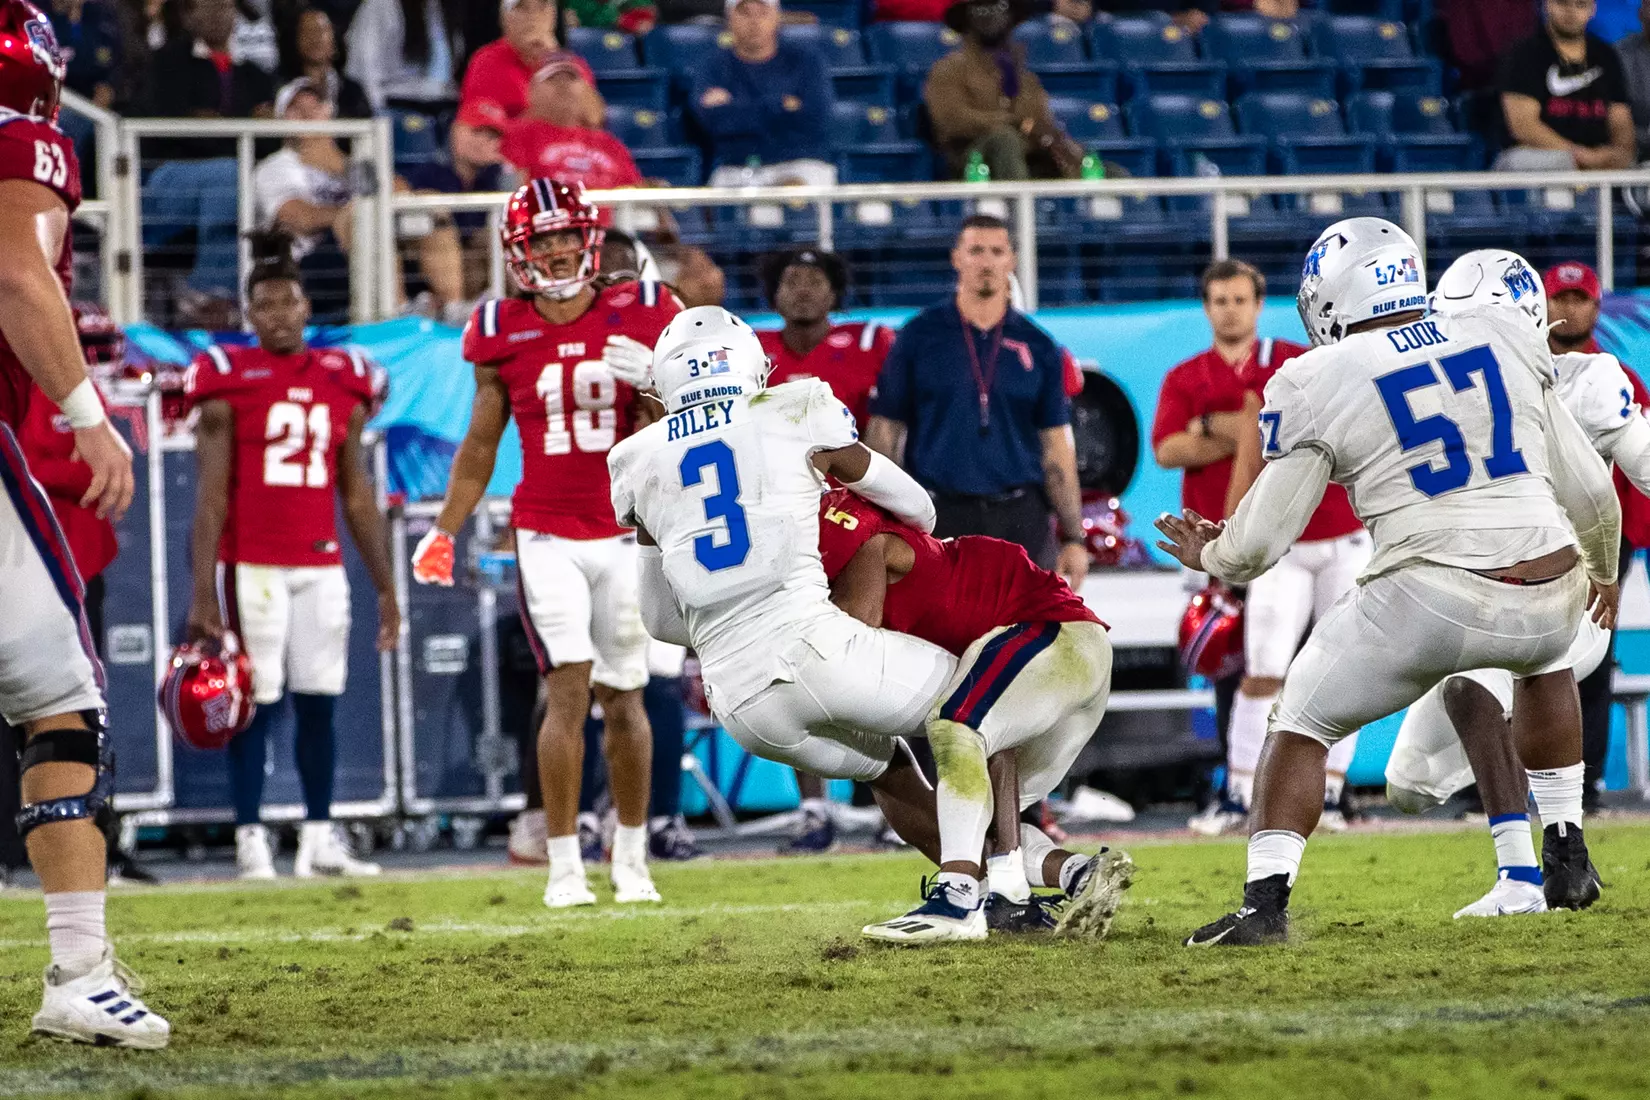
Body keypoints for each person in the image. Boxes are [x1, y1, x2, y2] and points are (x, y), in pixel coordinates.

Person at [1155, 217, 1621, 947]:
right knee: (1544, 658)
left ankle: (1264, 906)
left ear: (1331, 298)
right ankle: (1568, 854)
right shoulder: (1501, 331)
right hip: (1551, 576)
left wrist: (1215, 555)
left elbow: (1263, 542)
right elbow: (1590, 489)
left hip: (1429, 589)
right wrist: (1602, 568)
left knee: (1300, 721)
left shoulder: (1315, 375)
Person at [606, 307, 960, 929]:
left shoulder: (636, 459)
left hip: (742, 703)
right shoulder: (795, 408)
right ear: (752, 367)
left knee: (895, 770)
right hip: (819, 649)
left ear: (664, 386)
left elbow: (660, 621)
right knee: (984, 705)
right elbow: (919, 507)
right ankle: (1012, 881)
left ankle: (1016, 876)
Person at [410, 180, 679, 909]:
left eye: (566, 237)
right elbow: (478, 444)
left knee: (626, 697)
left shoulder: (644, 311)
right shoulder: (501, 328)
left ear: (590, 240)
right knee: (565, 691)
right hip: (547, 531)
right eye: (543, 240)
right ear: (519, 251)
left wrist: (654, 381)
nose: (557, 251)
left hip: (625, 531)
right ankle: (563, 862)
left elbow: (678, 430)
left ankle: (631, 854)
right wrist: (444, 527)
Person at [0, 0, 166, 1046]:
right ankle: (77, 969)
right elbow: (17, 273)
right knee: (61, 698)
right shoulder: (25, 135)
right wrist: (89, 418)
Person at [1386, 248, 1627, 917]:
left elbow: (1633, 463)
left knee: (1489, 676)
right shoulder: (1436, 396)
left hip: (1568, 591)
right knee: (1409, 784)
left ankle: (1541, 864)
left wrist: (1604, 566)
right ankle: (1549, 820)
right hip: (1485, 589)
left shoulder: (1586, 379)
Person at [814, 487, 1125, 942]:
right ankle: (1074, 874)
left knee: (957, 725)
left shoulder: (851, 526)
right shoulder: (898, 546)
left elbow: (857, 618)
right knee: (977, 802)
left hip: (1053, 634)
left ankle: (957, 895)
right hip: (1063, 659)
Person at [183, 230, 400, 881]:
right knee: (257, 700)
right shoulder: (229, 378)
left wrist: (386, 587)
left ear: (307, 307)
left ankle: (317, 836)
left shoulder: (343, 379)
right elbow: (210, 498)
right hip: (253, 563)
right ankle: (251, 837)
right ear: (250, 315)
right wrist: (202, 591)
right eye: (265, 305)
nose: (278, 315)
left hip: (320, 563)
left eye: (288, 302)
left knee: (319, 699)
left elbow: (358, 496)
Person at [1156, 261, 1370, 837]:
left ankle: (1330, 791)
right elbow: (1169, 449)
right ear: (1207, 308)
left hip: (1334, 529)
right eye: (1219, 299)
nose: (1230, 309)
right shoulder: (1188, 375)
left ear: (1258, 304)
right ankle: (1241, 788)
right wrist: (1241, 425)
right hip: (1269, 541)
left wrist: (1218, 427)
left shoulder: (1298, 362)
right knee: (1261, 669)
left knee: (1344, 667)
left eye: (1240, 299)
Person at [864, 215, 1089, 594]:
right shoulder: (918, 337)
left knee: (1024, 642)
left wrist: (1073, 536)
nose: (986, 262)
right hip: (939, 514)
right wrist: (877, 520)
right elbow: (884, 434)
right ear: (957, 258)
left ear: (1012, 260)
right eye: (976, 251)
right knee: (939, 640)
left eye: (997, 251)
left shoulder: (1040, 346)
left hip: (1022, 519)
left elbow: (1056, 449)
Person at [755, 245, 894, 852]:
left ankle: (893, 800)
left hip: (855, 521)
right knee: (791, 662)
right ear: (773, 292)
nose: (804, 290)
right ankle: (814, 810)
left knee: (872, 653)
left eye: (816, 280)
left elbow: (888, 433)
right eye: (792, 280)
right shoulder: (750, 354)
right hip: (783, 524)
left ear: (837, 292)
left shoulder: (869, 345)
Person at [1541, 260, 1648, 807]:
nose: (1567, 309)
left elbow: (1636, 466)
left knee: (1591, 654)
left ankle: (1584, 782)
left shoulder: (1619, 378)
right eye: (1558, 298)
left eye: (1578, 299)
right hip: (1526, 533)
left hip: (1597, 538)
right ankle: (1493, 785)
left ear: (1596, 307)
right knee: (1507, 656)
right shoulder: (1518, 371)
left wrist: (1628, 543)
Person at [140, 0, 277, 327]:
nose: (219, 14)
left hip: (232, 177)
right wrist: (243, 126)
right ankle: (209, 293)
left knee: (241, 181)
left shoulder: (255, 74)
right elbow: (174, 131)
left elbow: (270, 139)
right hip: (167, 179)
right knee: (231, 175)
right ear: (189, 14)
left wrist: (218, 123)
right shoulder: (168, 62)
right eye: (209, 6)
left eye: (226, 6)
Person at [691, 0, 837, 188]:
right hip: (735, 165)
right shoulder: (712, 66)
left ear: (777, 17)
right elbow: (713, 122)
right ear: (729, 19)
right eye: (745, 13)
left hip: (800, 162)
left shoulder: (806, 60)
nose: (754, 22)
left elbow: (815, 119)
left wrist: (735, 108)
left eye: (762, 13)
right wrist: (780, 106)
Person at [924, 0, 1066, 181]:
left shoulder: (1022, 74)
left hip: (1027, 152)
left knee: (1081, 157)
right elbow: (951, 120)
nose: (991, 17)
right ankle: (1018, 205)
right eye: (981, 10)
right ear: (967, 20)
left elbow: (1036, 117)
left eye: (999, 8)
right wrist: (1009, 121)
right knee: (1005, 139)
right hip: (970, 156)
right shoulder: (947, 69)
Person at [398, 97, 508, 325]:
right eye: (476, 132)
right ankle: (452, 310)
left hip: (478, 276)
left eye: (492, 136)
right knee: (435, 222)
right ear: (457, 131)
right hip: (425, 276)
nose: (483, 141)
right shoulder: (428, 174)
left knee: (501, 234)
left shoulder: (499, 178)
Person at [254, 78, 356, 321]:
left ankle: (452, 306)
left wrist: (342, 167)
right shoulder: (274, 166)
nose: (308, 114)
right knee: (361, 217)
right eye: (296, 109)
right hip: (307, 262)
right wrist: (350, 213)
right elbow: (300, 218)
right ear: (282, 122)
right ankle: (395, 310)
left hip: (363, 251)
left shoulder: (352, 162)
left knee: (430, 209)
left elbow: (396, 192)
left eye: (315, 106)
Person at [1497, 0, 1635, 171]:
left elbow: (1620, 119)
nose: (1571, 12)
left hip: (1596, 156)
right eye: (1562, 3)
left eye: (1580, 4)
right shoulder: (1524, 54)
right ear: (1546, 5)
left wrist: (1620, 153)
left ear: (1592, 9)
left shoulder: (1606, 56)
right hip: (1535, 155)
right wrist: (1579, 155)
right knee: (1563, 163)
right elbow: (1523, 127)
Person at [501, 58, 644, 190]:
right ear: (532, 92)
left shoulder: (609, 144)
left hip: (603, 215)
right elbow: (511, 186)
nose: (563, 86)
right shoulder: (518, 136)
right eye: (552, 80)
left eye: (571, 79)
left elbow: (632, 189)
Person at [462, 0, 596, 122]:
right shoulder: (485, 62)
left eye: (542, 6)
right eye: (522, 8)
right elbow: (480, 132)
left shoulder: (573, 65)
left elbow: (592, 120)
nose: (533, 16)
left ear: (554, 15)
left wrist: (553, 59)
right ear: (505, 19)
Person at [344, 0, 464, 111]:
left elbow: (453, 60)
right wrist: (378, 109)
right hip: (397, 101)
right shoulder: (382, 5)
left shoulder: (441, 8)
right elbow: (367, 63)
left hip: (444, 101)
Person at [278, 5, 371, 119]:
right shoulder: (278, 86)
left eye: (321, 30)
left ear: (335, 41)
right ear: (295, 40)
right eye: (307, 31)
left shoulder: (352, 92)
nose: (314, 38)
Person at [47, 0, 123, 108]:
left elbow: (117, 62)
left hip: (93, 101)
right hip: (58, 97)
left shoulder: (104, 22)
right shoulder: (45, 21)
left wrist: (110, 86)